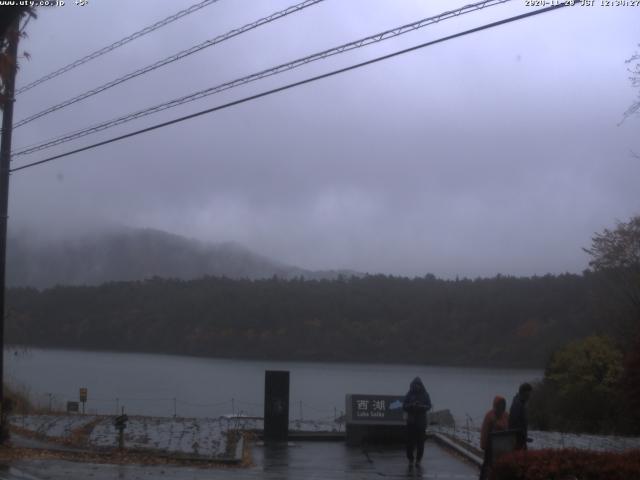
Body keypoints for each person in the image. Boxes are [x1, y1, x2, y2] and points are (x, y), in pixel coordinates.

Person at [403, 376, 432, 466]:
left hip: (421, 422)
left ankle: (418, 460)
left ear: (421, 385)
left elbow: (429, 406)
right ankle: (410, 459)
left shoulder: (425, 394)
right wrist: (411, 406)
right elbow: (404, 406)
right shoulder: (409, 394)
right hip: (411, 422)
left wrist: (421, 407)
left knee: (420, 443)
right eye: (415, 385)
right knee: (409, 442)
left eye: (418, 385)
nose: (416, 387)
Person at [479, 396, 509, 480]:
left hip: (503, 446)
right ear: (496, 405)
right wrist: (483, 444)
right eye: (500, 404)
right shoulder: (489, 416)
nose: (501, 406)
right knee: (487, 465)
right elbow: (484, 430)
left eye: (503, 405)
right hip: (490, 446)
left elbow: (509, 428)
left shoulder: (506, 415)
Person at [508, 382, 532, 450]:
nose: (530, 396)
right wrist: (522, 437)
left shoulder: (520, 402)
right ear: (524, 392)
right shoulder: (518, 404)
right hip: (517, 439)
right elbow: (514, 423)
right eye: (528, 393)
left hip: (520, 438)